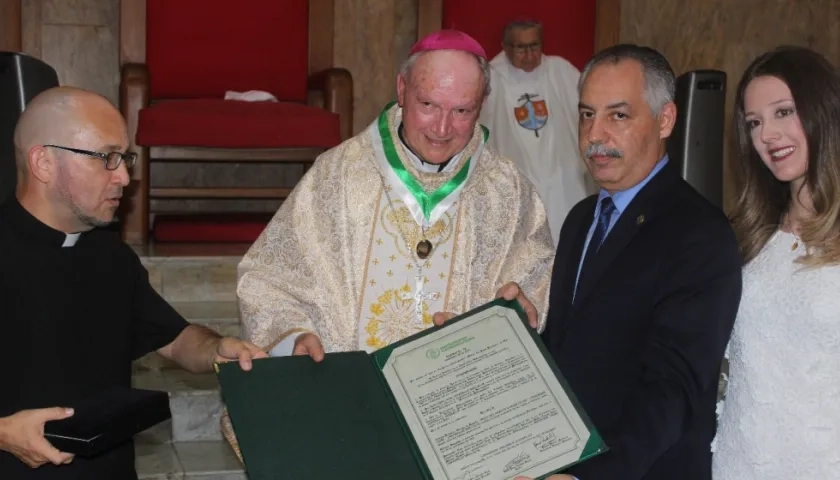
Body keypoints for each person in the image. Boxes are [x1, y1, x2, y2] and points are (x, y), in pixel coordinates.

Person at [221, 29, 555, 458]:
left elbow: (533, 282)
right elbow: (270, 276)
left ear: (481, 106)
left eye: (461, 110)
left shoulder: (508, 192)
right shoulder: (338, 175)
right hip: (345, 411)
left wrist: (521, 310)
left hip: (459, 422)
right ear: (402, 89)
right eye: (428, 104)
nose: (442, 127)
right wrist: (294, 336)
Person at [0, 86, 267, 479]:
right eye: (106, 158)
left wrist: (215, 349)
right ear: (43, 162)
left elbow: (174, 339)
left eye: (124, 158)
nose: (124, 176)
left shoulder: (111, 256)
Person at [518, 44, 743, 480]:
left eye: (618, 116)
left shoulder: (699, 233)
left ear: (665, 120)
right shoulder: (581, 220)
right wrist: (510, 331)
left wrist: (592, 476)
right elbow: (577, 351)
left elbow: (673, 388)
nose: (595, 135)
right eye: (587, 114)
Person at [711, 46, 840, 480]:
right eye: (754, 122)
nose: (767, 134)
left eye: (784, 112)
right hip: (738, 460)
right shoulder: (747, 236)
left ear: (822, 111)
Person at [479, 19, 594, 246]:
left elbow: (589, 108)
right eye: (521, 48)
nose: (530, 54)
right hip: (515, 174)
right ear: (505, 46)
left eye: (535, 46)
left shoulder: (560, 70)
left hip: (560, 172)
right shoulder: (491, 77)